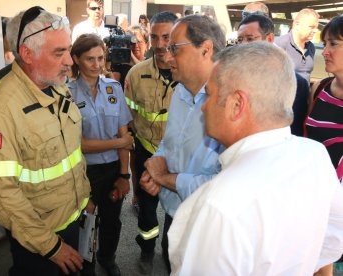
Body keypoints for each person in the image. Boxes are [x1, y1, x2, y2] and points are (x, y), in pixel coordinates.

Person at [168, 42, 343, 276]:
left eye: (209, 94)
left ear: (237, 104)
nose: (204, 107)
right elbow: (329, 242)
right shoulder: (315, 156)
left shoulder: (218, 205)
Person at [0, 7, 90, 276]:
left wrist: (85, 197)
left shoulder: (57, 86)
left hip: (75, 218)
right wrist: (51, 247)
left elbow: (68, 152)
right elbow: (0, 195)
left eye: (67, 50)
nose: (70, 62)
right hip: (41, 240)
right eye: (58, 52)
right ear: (27, 53)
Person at [140, 15, 225, 272]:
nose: (166, 57)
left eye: (174, 48)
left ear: (205, 49)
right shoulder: (180, 90)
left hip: (207, 226)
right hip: (175, 212)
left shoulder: (229, 101)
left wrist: (165, 178)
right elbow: (170, 141)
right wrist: (157, 166)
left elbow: (221, 185)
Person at [68, 33, 133, 276]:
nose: (97, 65)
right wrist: (118, 141)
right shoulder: (68, 94)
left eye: (100, 58)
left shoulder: (113, 88)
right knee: (86, 221)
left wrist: (124, 176)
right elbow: (79, 145)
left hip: (114, 168)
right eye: (89, 59)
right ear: (76, 59)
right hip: (85, 172)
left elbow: (125, 135)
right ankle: (87, 263)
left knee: (112, 221)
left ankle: (107, 257)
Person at [124, 11, 178, 275]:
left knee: (175, 213)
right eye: (154, 37)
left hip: (178, 160)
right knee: (147, 212)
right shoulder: (135, 75)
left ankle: (170, 255)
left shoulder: (191, 76)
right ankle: (146, 251)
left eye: (166, 37)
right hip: (146, 152)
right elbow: (128, 117)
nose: (158, 44)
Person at [304, 16, 343, 273]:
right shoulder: (319, 89)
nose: (325, 52)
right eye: (325, 43)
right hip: (316, 207)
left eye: (334, 44)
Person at [237, 14, 309, 136]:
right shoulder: (232, 77)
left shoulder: (295, 83)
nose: (243, 45)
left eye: (250, 39)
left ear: (269, 39)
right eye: (239, 40)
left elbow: (294, 129)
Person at [275, 8, 320, 83]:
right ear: (297, 25)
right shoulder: (280, 45)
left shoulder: (311, 47)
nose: (315, 31)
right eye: (311, 27)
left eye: (316, 28)